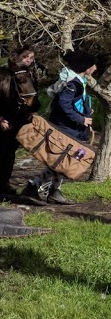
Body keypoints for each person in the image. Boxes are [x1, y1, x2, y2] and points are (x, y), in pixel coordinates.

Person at [22, 49, 98, 205]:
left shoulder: (78, 82)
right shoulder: (73, 83)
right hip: (66, 129)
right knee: (59, 162)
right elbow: (63, 104)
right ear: (85, 67)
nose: (95, 68)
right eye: (92, 65)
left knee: (63, 162)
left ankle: (54, 191)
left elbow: (72, 103)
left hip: (71, 129)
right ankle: (33, 187)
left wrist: (86, 111)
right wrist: (81, 119)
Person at [0, 46, 39, 197]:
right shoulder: (5, 74)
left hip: (20, 118)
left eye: (31, 58)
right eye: (26, 57)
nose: (28, 60)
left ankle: (4, 182)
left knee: (11, 152)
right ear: (18, 56)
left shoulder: (31, 74)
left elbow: (33, 97)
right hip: (3, 118)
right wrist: (0, 118)